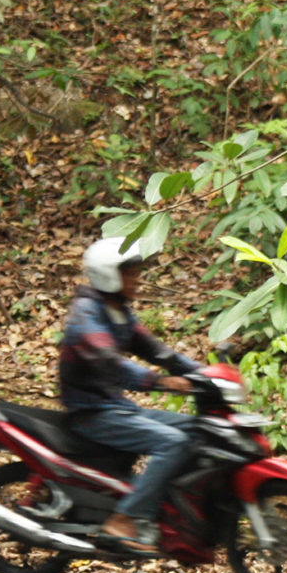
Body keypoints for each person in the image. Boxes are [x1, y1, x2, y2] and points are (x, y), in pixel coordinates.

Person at [59, 235, 203, 555]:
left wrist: (204, 374)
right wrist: (162, 382)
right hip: (91, 412)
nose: (137, 280)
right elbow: (110, 364)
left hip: (115, 406)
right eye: (130, 273)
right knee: (172, 442)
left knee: (198, 429)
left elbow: (157, 350)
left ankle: (169, 511)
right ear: (109, 274)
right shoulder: (87, 314)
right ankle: (124, 518)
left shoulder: (118, 311)